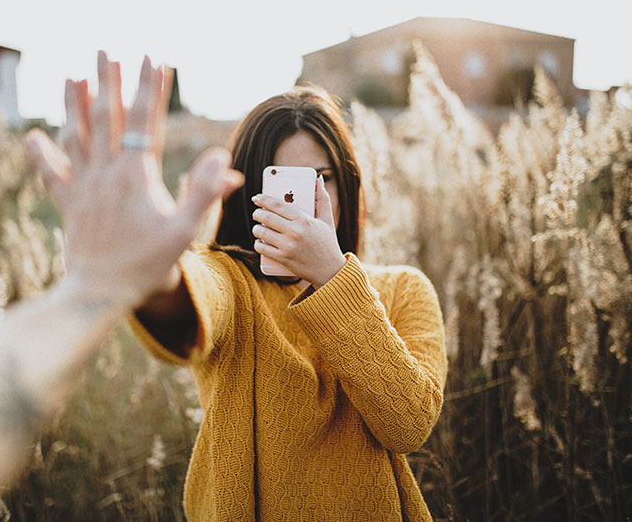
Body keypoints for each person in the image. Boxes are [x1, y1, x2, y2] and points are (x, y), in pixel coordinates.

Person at [0, 52, 244, 522]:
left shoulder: (365, 285)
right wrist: (102, 283)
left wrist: (98, 283)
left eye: (322, 179)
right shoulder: (232, 277)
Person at [130, 74, 448, 519]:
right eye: (282, 185)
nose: (302, 203)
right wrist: (157, 271)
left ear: (347, 185)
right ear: (246, 195)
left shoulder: (404, 289)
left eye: (323, 179)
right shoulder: (230, 279)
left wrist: (332, 276)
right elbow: (192, 298)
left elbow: (409, 423)